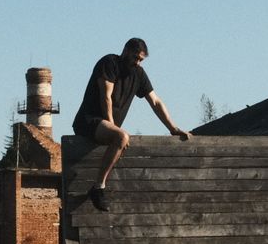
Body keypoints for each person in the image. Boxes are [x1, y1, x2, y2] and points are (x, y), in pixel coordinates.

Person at [72, 38, 192, 211]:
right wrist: (113, 126)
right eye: (135, 57)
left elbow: (155, 102)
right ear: (126, 51)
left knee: (120, 137)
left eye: (141, 60)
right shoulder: (110, 62)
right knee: (121, 136)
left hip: (106, 127)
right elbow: (106, 96)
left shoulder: (139, 74)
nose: (137, 62)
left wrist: (172, 128)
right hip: (88, 120)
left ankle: (100, 184)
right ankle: (98, 188)